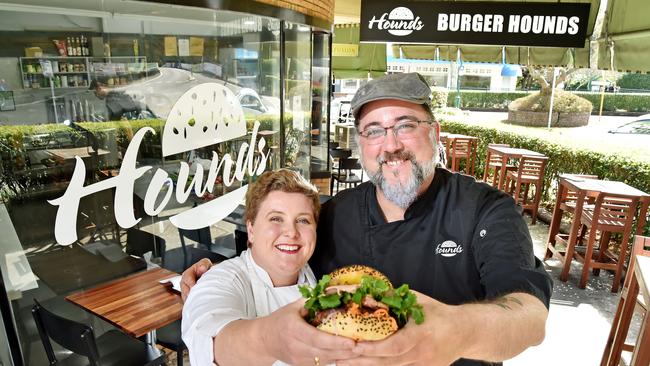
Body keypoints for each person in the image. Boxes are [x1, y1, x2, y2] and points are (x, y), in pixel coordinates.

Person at [181, 73, 553, 366]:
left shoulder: (486, 210)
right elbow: (279, 252)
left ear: (434, 133)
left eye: (405, 125)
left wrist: (455, 331)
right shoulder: (337, 213)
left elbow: (528, 316)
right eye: (374, 131)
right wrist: (213, 270)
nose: (390, 145)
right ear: (361, 146)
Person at [182, 169, 336, 366]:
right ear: (251, 230)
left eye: (303, 220)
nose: (291, 232)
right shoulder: (223, 278)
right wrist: (272, 340)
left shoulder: (321, 272)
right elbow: (211, 337)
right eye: (276, 218)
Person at [89, 79, 154, 121]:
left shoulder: (112, 99)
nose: (95, 95)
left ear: (101, 88)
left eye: (95, 92)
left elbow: (116, 117)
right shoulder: (117, 94)